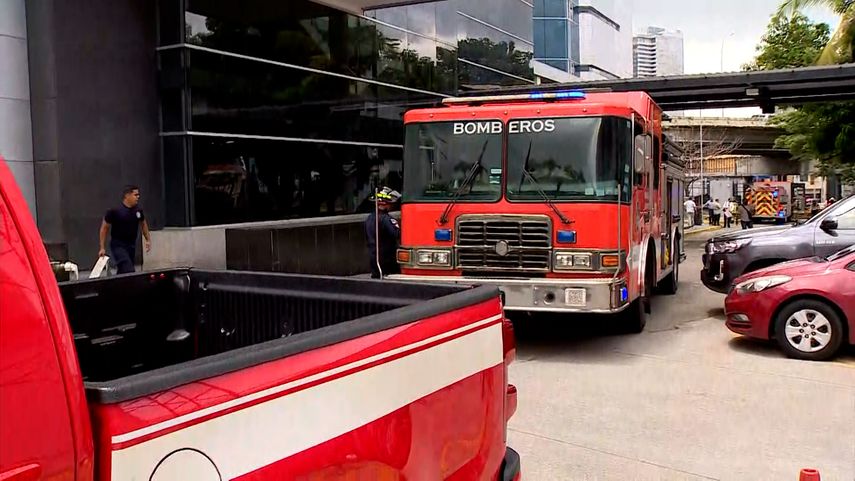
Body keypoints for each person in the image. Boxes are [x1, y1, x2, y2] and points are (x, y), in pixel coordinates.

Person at [98, 185, 151, 274]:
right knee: (128, 269)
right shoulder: (115, 211)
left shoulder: (138, 211)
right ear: (127, 195)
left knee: (123, 271)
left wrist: (148, 239)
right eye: (135, 195)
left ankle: (117, 282)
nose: (138, 197)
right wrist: (102, 247)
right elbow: (104, 228)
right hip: (118, 245)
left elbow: (143, 224)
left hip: (131, 245)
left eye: (138, 195)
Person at [365, 186, 402, 279]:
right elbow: (396, 234)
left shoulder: (369, 218)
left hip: (374, 258)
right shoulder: (387, 219)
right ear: (386, 204)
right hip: (388, 259)